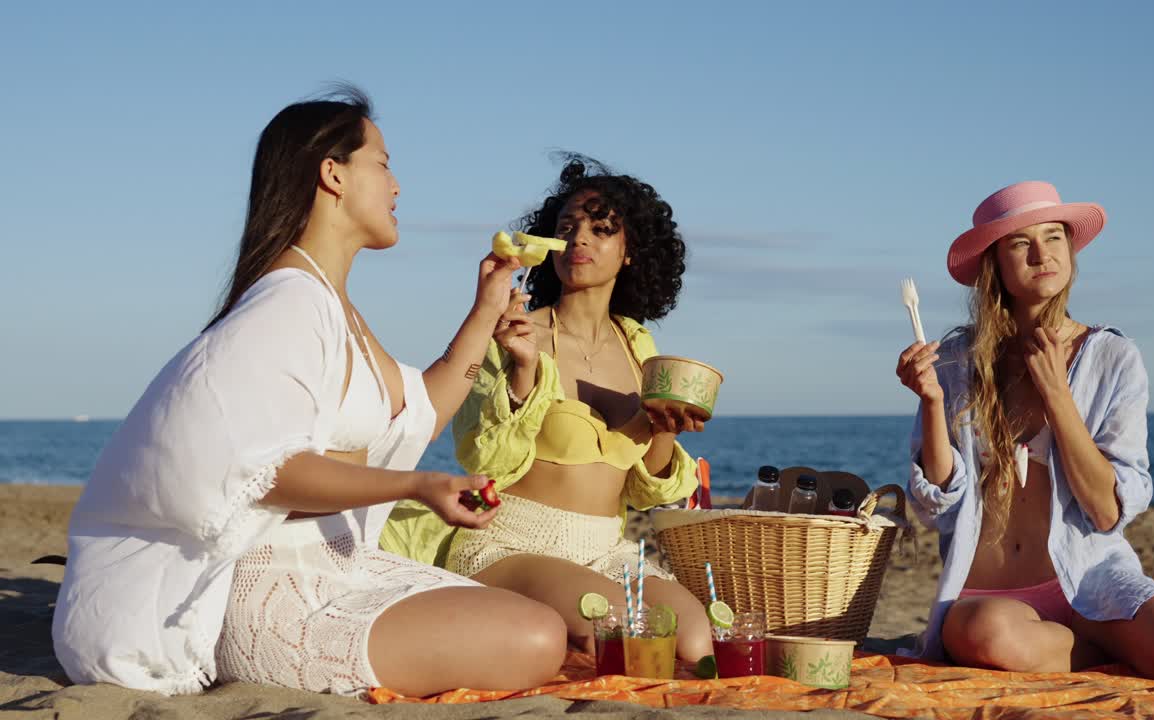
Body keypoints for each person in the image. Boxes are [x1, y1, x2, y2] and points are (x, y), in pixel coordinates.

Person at [52, 88, 566, 698]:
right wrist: (419, 485)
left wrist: (483, 312)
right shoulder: (287, 304)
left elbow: (419, 415)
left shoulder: (329, 302)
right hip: (276, 589)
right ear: (333, 174)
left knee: (549, 629)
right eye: (382, 163)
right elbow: (260, 474)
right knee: (533, 638)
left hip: (345, 566)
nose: (397, 186)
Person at [896, 180, 1154, 681]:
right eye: (1020, 242)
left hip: (1093, 582)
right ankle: (1111, 652)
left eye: (1054, 237)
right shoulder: (954, 361)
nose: (1042, 254)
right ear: (995, 263)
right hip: (990, 596)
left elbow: (1106, 512)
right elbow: (934, 508)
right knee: (985, 637)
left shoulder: (1114, 358)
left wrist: (1057, 394)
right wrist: (932, 402)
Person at [383, 155, 713, 662]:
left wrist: (665, 429)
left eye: (601, 229)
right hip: (513, 542)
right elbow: (481, 458)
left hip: (608, 550)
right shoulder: (514, 330)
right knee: (623, 633)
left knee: (693, 639)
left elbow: (647, 488)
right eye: (568, 226)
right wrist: (521, 372)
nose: (579, 238)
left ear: (631, 253)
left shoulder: (640, 347)